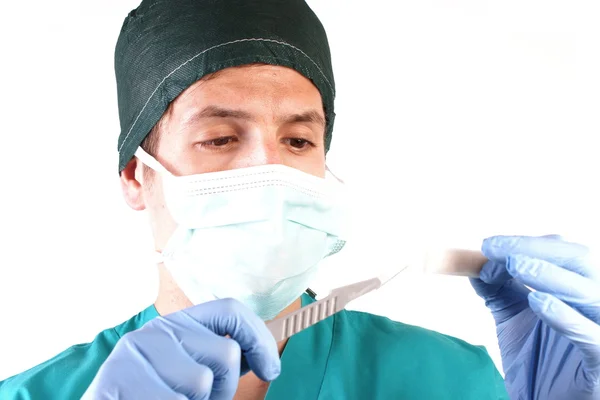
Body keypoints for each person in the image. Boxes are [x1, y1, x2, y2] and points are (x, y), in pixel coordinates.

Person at [1, 1, 599, 399]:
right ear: (137, 176)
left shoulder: (448, 380)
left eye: (298, 139)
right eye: (219, 138)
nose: (270, 170)